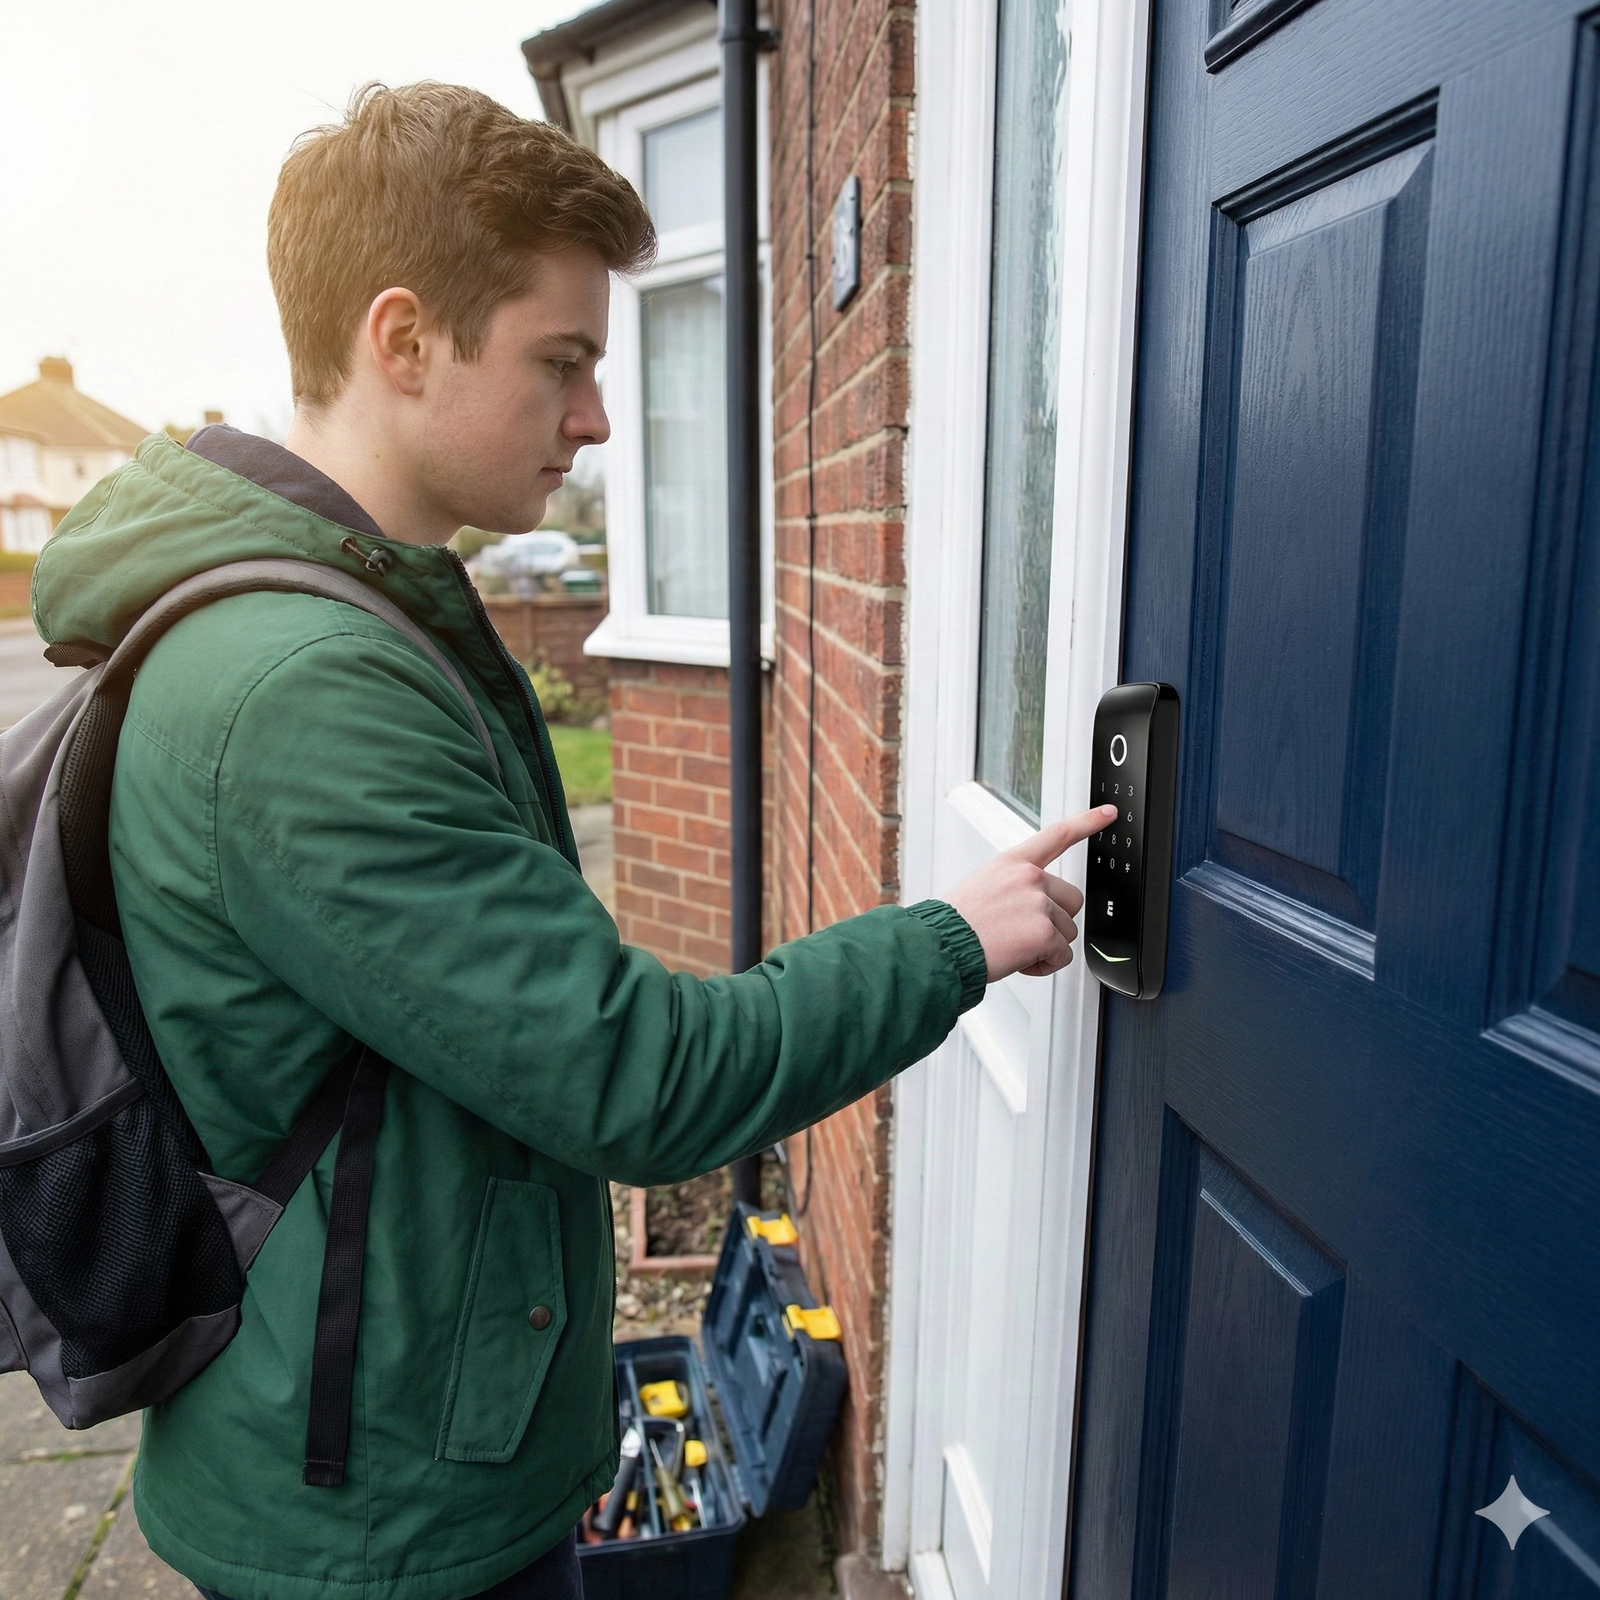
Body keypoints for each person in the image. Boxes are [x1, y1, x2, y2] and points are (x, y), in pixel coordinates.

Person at [32, 83, 1114, 1600]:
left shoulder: (345, 615)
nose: (596, 417)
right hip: (376, 1519)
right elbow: (638, 1077)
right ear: (402, 342)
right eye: (563, 363)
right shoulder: (298, 691)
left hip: (374, 1432)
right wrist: (948, 941)